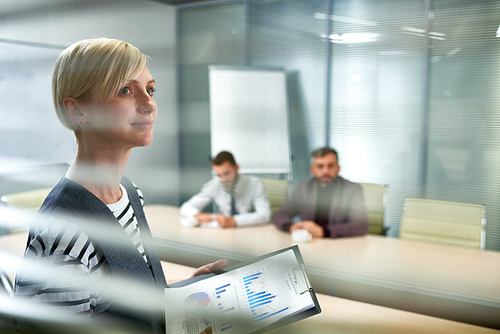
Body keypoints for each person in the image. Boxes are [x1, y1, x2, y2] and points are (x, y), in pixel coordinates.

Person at [13, 38, 219, 334]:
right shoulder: (67, 240)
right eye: (125, 90)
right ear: (78, 111)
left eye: (150, 89)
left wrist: (180, 294)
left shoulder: (129, 193)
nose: (149, 104)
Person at [274, 147, 368, 238]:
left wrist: (323, 231)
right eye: (320, 166)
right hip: (308, 242)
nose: (325, 171)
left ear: (338, 168)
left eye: (330, 166)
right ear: (312, 170)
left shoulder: (352, 190)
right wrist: (291, 227)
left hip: (337, 243)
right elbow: (281, 214)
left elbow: (360, 225)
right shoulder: (303, 187)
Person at [180, 151, 271, 227]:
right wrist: (197, 214)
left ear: (236, 168)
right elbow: (186, 207)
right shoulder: (215, 185)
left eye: (227, 173)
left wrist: (233, 221)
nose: (223, 179)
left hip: (249, 230)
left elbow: (265, 215)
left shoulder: (255, 184)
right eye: (219, 175)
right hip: (223, 232)